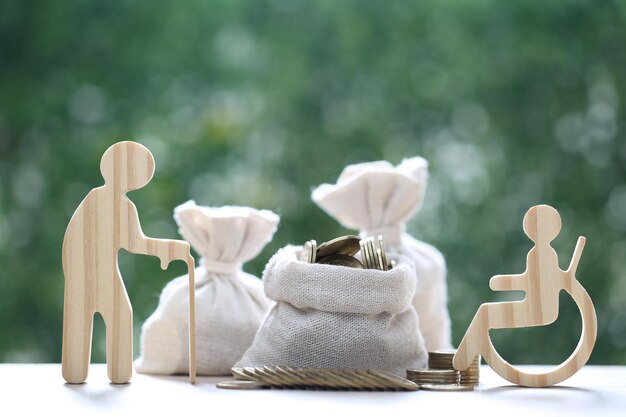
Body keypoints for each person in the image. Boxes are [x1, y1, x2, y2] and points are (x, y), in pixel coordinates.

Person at [62, 141, 191, 384]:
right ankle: (110, 372)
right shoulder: (113, 204)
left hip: (87, 273)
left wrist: (168, 248)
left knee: (106, 314)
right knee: (118, 313)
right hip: (90, 274)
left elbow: (132, 243)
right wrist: (169, 248)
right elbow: (135, 244)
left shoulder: (104, 201)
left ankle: (81, 371)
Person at [454, 205, 574, 371]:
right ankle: (463, 360)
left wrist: (503, 283)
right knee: (485, 312)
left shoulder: (540, 254)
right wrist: (504, 282)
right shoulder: (543, 253)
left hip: (538, 311)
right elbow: (533, 282)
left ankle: (461, 362)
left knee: (485, 313)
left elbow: (533, 284)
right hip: (538, 308)